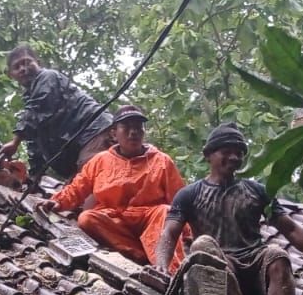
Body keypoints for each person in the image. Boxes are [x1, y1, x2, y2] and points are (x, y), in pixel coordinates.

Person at [154, 122, 303, 295]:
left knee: (277, 253)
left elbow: (291, 229)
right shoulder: (189, 194)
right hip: (222, 269)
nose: (234, 158)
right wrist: (161, 265)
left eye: (238, 153)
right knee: (201, 244)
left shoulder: (256, 191)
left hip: (255, 266)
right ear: (208, 155)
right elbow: (170, 232)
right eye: (226, 152)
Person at [37, 105, 190, 271]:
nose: (133, 132)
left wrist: (189, 235)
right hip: (115, 220)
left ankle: (171, 270)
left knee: (165, 212)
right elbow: (78, 187)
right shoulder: (100, 160)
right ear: (114, 133)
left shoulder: (162, 161)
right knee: (86, 218)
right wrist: (57, 202)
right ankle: (140, 254)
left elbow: (179, 202)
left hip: (149, 217)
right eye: (127, 127)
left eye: (138, 127)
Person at [0, 45, 114, 180]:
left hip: (95, 131)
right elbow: (36, 142)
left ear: (38, 63)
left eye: (27, 62)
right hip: (81, 144)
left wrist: (15, 142)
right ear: (11, 75)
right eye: (17, 67)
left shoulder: (47, 77)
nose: (23, 69)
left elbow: (37, 110)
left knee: (89, 178)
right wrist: (35, 175)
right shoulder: (30, 98)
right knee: (74, 189)